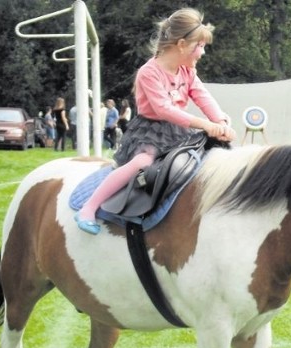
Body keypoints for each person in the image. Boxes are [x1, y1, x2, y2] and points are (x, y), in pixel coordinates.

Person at [75, 7, 235, 235]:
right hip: (150, 131)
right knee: (142, 163)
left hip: (178, 130)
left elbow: (201, 95)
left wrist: (219, 119)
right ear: (182, 44)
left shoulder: (187, 72)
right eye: (199, 46)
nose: (202, 53)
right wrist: (206, 125)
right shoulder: (149, 73)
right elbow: (164, 109)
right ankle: (89, 208)